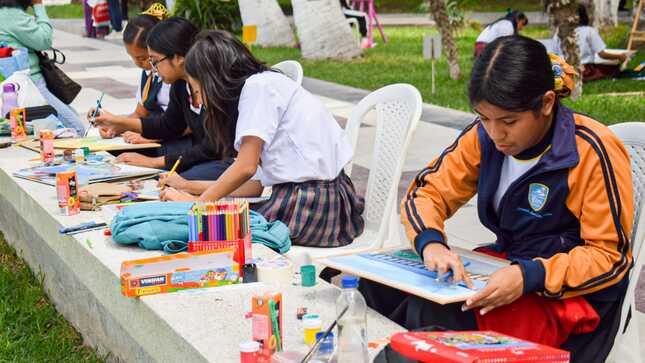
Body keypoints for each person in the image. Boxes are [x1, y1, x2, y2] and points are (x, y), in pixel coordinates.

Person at [363, 36, 633, 363]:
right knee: (375, 287)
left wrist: (527, 276)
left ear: (547, 103)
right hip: (506, 267)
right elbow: (428, 191)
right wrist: (431, 244)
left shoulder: (590, 149)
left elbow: (609, 257)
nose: (495, 134)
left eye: (508, 121)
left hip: (569, 298)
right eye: (484, 118)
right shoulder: (483, 137)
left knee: (432, 315)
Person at [159, 30, 365, 248]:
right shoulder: (266, 84)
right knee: (220, 222)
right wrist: (189, 186)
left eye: (198, 91)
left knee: (209, 233)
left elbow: (245, 168)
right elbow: (254, 186)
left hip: (309, 207)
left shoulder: (258, 88)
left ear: (213, 82)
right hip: (328, 203)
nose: (200, 102)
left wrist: (197, 207)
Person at [92, 17, 233, 181]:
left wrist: (154, 162)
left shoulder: (214, 84)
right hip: (208, 158)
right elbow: (169, 124)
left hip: (228, 162)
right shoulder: (181, 84)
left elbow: (212, 147)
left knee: (172, 181)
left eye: (154, 61)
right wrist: (118, 122)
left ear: (179, 57)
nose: (153, 68)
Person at [0, 0, 85, 134]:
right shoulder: (10, 14)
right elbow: (44, 40)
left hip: (14, 86)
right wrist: (38, 5)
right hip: (30, 85)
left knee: (64, 121)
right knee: (76, 128)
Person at [96, 3, 172, 146]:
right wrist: (115, 127)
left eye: (143, 58)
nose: (138, 64)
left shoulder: (173, 77)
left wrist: (151, 137)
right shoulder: (148, 73)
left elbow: (182, 123)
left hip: (171, 141)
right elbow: (140, 113)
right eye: (132, 57)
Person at [553, 5, 628, 82]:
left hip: (563, 70)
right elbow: (602, 54)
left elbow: (554, 54)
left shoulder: (559, 31)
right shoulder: (589, 31)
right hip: (584, 70)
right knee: (611, 69)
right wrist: (619, 56)